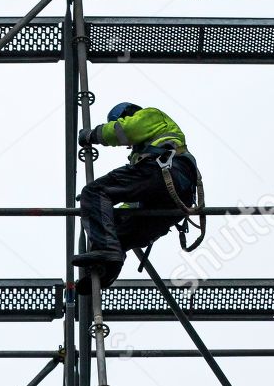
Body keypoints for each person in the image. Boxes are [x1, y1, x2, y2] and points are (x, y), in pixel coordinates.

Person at [73, 102, 204, 289]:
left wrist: (92, 135)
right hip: (173, 200)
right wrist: (106, 213)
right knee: (119, 233)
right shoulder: (145, 151)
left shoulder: (151, 115)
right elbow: (133, 203)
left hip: (163, 173)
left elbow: (126, 129)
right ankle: (105, 271)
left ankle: (107, 251)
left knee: (95, 191)